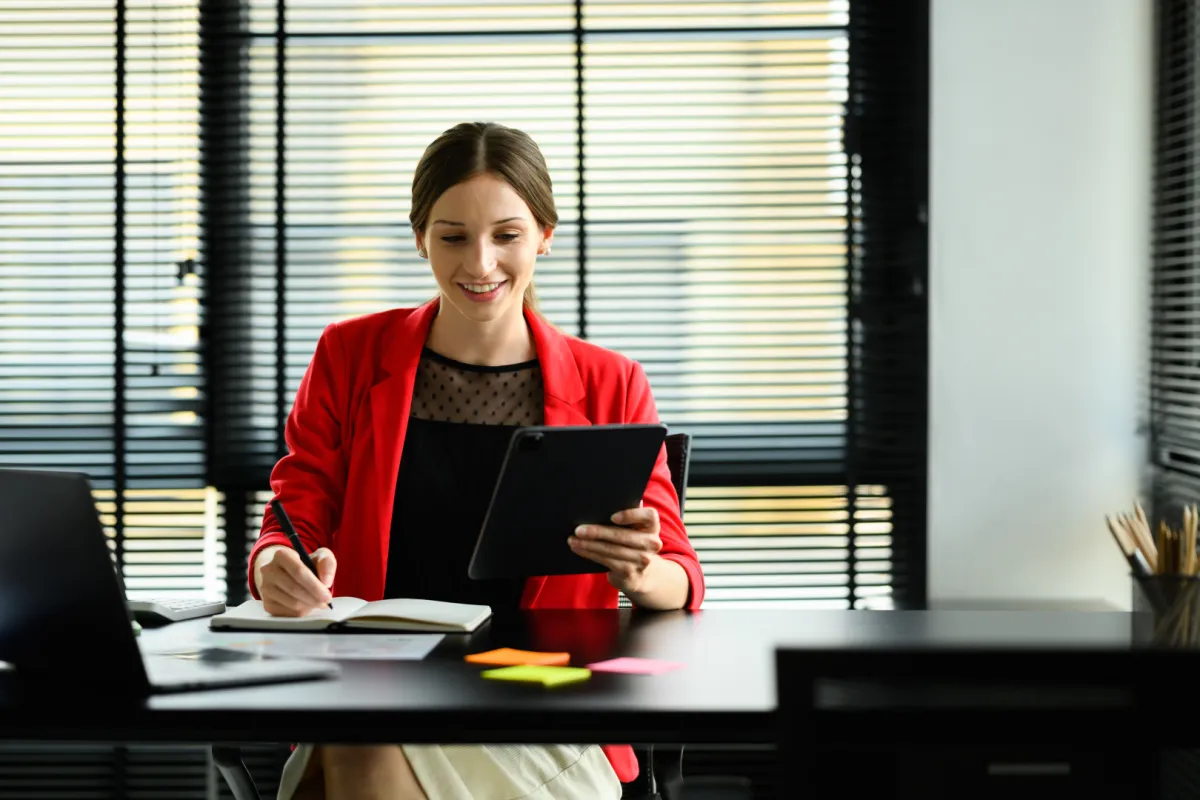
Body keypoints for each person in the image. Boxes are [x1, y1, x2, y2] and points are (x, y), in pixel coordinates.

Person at [247, 121, 706, 800]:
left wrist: (641, 570)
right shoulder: (348, 356)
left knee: (351, 756)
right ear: (420, 238)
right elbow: (294, 512)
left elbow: (682, 580)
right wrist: (272, 566)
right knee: (356, 740)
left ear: (545, 236)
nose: (480, 264)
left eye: (507, 236)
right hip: (377, 681)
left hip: (540, 706)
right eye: (453, 236)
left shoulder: (613, 382)